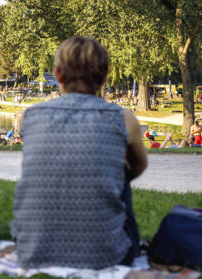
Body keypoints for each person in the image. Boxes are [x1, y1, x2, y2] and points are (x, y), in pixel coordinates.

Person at [11, 36, 147, 269]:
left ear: (57, 75)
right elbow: (140, 166)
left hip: (31, 251)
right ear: (104, 79)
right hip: (108, 257)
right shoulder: (122, 118)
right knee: (120, 175)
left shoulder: (28, 117)